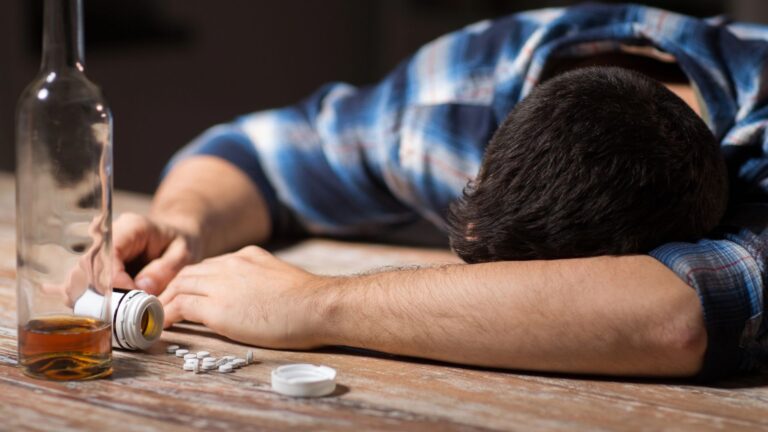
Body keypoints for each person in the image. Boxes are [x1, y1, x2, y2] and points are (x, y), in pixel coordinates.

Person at [114, 4, 767, 380]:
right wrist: (181, 223)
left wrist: (316, 306)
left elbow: (676, 318)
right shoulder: (467, 92)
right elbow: (263, 152)